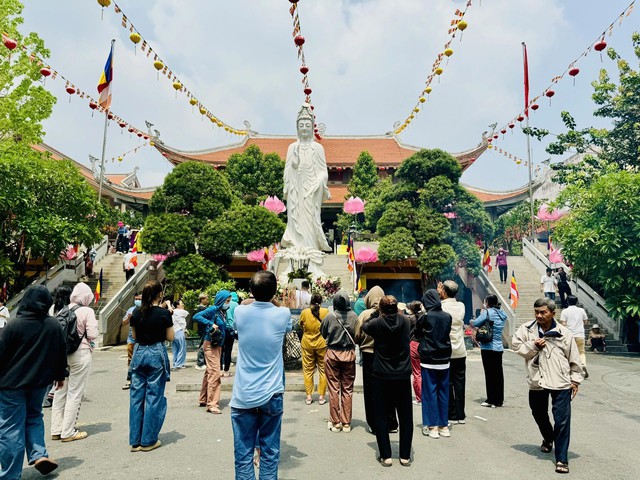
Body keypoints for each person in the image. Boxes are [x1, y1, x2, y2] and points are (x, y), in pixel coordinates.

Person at [230, 271, 292, 480]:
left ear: (251, 291)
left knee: (243, 453)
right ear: (275, 291)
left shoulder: (240, 312)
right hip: (272, 392)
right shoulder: (282, 314)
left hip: (243, 394)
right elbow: (287, 322)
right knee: (270, 452)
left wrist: (254, 297)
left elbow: (244, 305)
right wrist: (271, 298)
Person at [0, 285, 67, 478]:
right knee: (34, 416)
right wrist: (60, 376)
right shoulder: (53, 325)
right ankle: (39, 455)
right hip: (40, 383)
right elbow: (59, 352)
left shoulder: (14, 324)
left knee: (11, 427)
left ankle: (11, 475)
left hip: (11, 384)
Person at [512, 297, 584, 475]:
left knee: (562, 421)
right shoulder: (527, 329)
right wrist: (533, 345)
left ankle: (561, 459)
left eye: (543, 312)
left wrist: (575, 380)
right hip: (537, 380)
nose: (539, 315)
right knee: (538, 413)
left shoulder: (564, 333)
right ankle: (548, 437)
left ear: (553, 313)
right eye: (536, 312)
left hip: (560, 382)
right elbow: (516, 346)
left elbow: (574, 359)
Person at [362, 295, 413, 467]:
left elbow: (364, 327)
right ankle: (405, 455)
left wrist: (376, 314)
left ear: (382, 309)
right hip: (403, 374)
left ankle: (386, 455)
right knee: (405, 416)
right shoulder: (406, 321)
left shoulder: (377, 323)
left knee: (381, 415)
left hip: (381, 374)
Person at [129, 280, 174, 452]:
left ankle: (135, 441)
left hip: (139, 353)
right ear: (159, 294)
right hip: (156, 353)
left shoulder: (136, 312)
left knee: (136, 398)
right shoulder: (163, 314)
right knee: (154, 397)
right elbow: (171, 338)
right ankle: (148, 440)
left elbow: (134, 335)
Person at [282, 103, 332, 255]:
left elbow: (323, 171)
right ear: (297, 127)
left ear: (312, 127)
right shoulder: (292, 147)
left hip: (312, 189)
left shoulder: (318, 148)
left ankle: (311, 248)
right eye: (301, 125)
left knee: (311, 218)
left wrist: (319, 182)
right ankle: (297, 248)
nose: (304, 128)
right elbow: (287, 171)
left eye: (307, 125)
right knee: (295, 217)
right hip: (295, 190)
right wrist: (295, 163)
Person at [51, 282, 99, 443]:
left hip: (62, 355)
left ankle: (56, 429)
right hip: (80, 353)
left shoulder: (63, 309)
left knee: (60, 391)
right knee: (75, 393)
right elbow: (92, 334)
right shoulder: (87, 311)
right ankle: (69, 431)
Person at [355, 286, 398, 434]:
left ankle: (374, 423)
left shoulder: (365, 314)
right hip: (387, 354)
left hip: (368, 354)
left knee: (371, 389)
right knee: (389, 388)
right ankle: (391, 422)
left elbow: (357, 336)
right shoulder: (389, 313)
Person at [416, 289, 452, 439]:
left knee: (429, 393)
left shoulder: (425, 317)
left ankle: (432, 426)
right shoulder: (447, 316)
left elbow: (417, 333)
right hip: (444, 359)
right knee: (444, 392)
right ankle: (444, 425)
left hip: (429, 359)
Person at [321, 290, 358, 432]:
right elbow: (357, 334)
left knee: (334, 388)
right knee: (348, 389)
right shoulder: (354, 316)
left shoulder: (330, 316)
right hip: (348, 354)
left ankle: (336, 422)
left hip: (332, 354)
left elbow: (323, 332)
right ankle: (346, 423)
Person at [193, 290, 231, 414]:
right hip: (210, 345)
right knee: (215, 373)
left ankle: (203, 398)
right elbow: (196, 316)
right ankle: (212, 404)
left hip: (217, 345)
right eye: (227, 301)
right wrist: (210, 323)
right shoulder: (213, 309)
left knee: (209, 371)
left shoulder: (222, 312)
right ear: (221, 300)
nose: (228, 303)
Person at [438, 280, 467, 424]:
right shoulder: (461, 305)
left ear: (443, 291)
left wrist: (439, 295)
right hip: (460, 349)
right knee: (460, 383)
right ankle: (461, 414)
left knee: (447, 383)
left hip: (446, 350)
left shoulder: (441, 306)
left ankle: (452, 413)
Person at [473, 294, 508, 408]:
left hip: (488, 347)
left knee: (489, 374)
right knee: (498, 374)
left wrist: (482, 313)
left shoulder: (487, 312)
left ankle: (491, 399)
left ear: (487, 302)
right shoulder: (502, 313)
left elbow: (475, 323)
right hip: (498, 347)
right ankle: (499, 399)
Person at [299, 293, 328, 405]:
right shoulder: (325, 312)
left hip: (307, 344)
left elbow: (301, 326)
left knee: (308, 370)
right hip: (322, 343)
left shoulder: (305, 312)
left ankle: (309, 396)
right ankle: (321, 397)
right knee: (323, 370)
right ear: (321, 302)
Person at [560, 295, 589, 377]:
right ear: (576, 302)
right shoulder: (581, 310)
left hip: (569, 335)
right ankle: (583, 365)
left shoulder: (564, 311)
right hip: (580, 334)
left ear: (567, 302)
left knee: (568, 353)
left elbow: (563, 324)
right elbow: (586, 321)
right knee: (581, 352)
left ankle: (571, 369)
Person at [122, 292, 142, 390]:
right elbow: (124, 322)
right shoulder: (131, 309)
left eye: (140, 299)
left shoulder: (146, 309)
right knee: (130, 360)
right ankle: (131, 380)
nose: (138, 301)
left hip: (142, 339)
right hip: (131, 339)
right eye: (136, 299)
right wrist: (129, 317)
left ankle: (139, 380)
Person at [405, 301, 424, 405]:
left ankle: (419, 397)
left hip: (414, 344)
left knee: (416, 372)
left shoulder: (410, 319)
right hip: (424, 345)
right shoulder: (424, 317)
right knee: (423, 371)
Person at [221, 292, 240, 377]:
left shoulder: (221, 303)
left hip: (221, 328)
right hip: (230, 329)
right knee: (228, 350)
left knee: (220, 350)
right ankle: (226, 370)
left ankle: (220, 369)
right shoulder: (236, 304)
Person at [171, 300, 189, 369]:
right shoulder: (181, 311)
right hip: (179, 331)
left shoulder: (172, 312)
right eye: (182, 303)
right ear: (177, 305)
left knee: (175, 349)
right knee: (182, 348)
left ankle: (175, 363)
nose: (183, 304)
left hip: (173, 332)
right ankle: (180, 364)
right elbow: (187, 313)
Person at [194, 292, 209, 370]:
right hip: (204, 330)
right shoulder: (202, 309)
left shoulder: (201, 308)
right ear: (202, 299)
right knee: (203, 346)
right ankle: (200, 363)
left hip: (203, 329)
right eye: (206, 299)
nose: (208, 300)